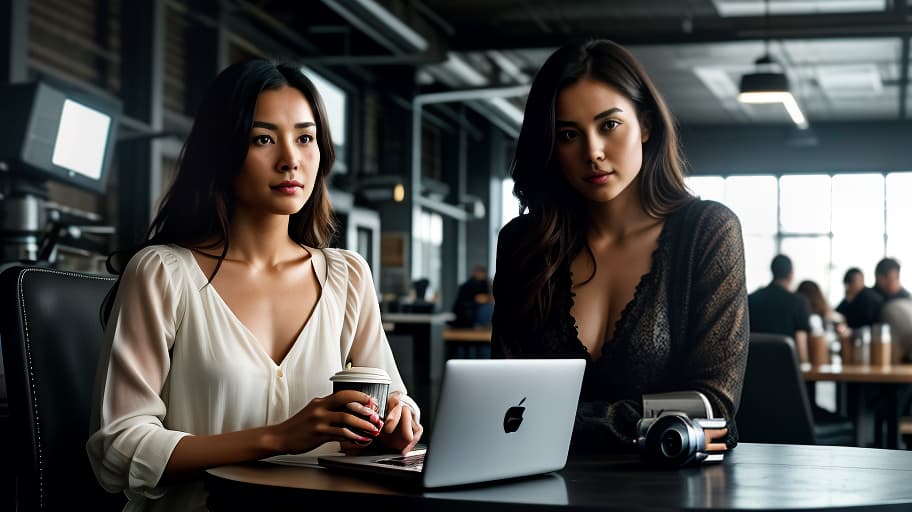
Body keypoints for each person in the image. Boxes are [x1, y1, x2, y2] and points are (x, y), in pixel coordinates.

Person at [86, 60, 422, 511]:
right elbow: (120, 447)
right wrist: (280, 437)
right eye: (263, 139)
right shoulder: (163, 273)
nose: (291, 160)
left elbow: (391, 401)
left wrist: (392, 424)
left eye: (305, 138)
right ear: (222, 152)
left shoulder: (348, 277)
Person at [490, 39, 747, 454]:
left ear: (645, 125)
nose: (592, 152)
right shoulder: (523, 243)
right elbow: (503, 398)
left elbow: (713, 406)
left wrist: (571, 421)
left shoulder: (708, 232)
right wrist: (640, 420)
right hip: (540, 483)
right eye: (568, 134)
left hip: (672, 489)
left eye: (609, 125)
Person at [748, 255, 812, 353]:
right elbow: (801, 339)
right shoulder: (798, 301)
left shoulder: (751, 298)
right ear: (791, 274)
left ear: (772, 271)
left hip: (753, 362)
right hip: (787, 364)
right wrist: (802, 366)